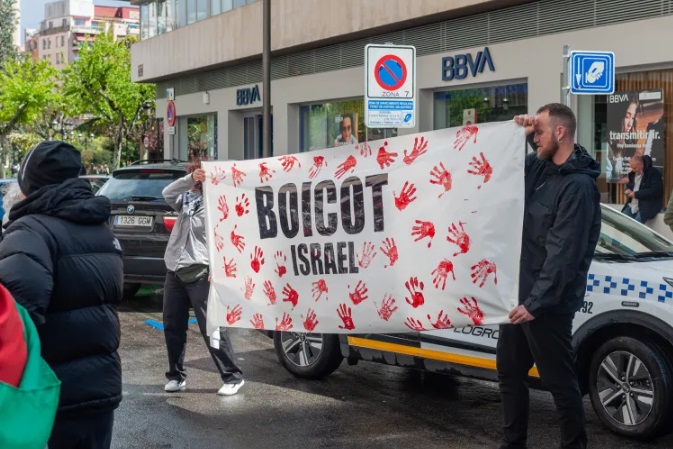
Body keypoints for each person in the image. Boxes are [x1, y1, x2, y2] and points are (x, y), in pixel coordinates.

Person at [0, 141, 123, 449]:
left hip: (49, 393)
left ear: (28, 182)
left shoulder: (29, 232)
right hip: (99, 388)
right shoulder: (99, 227)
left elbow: (16, 321)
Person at [498, 104, 601, 449]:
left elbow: (564, 254)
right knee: (509, 374)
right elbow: (504, 174)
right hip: (520, 297)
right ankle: (513, 444)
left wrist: (535, 303)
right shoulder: (540, 169)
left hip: (547, 306)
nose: (536, 137)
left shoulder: (579, 187)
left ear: (560, 132)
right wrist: (520, 135)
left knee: (559, 384)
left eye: (540, 131)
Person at [162, 160, 244, 396]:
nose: (196, 180)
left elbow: (229, 239)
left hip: (201, 271)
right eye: (193, 174)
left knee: (212, 326)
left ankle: (232, 376)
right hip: (175, 269)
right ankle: (176, 376)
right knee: (172, 325)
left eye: (199, 174)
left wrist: (219, 270)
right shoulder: (187, 198)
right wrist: (190, 180)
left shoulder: (220, 203)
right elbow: (167, 193)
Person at [621, 154, 663, 224]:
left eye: (635, 168)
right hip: (632, 204)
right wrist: (627, 190)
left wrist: (636, 194)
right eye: (632, 168)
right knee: (621, 222)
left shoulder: (654, 173)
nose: (633, 170)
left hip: (646, 206)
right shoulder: (633, 173)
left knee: (636, 227)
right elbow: (629, 185)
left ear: (641, 164)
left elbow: (655, 191)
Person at [606, 93, 638, 181]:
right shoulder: (608, 146)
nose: (630, 124)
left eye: (632, 118)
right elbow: (607, 180)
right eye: (627, 116)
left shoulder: (627, 139)